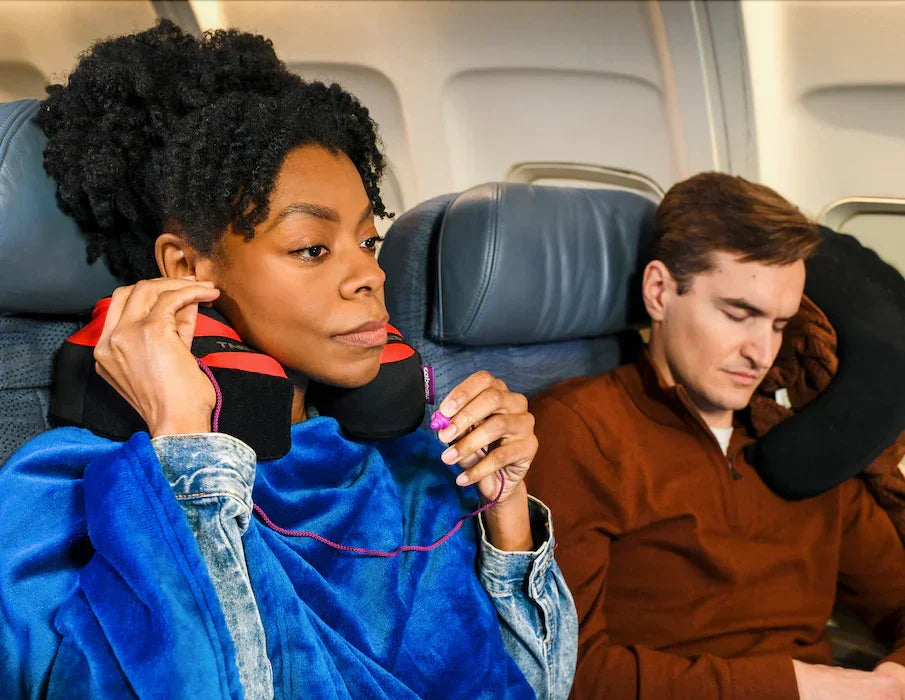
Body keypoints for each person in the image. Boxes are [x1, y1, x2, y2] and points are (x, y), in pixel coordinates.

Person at [0, 21, 576, 699]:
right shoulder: (60, 485)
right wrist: (185, 445)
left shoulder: (417, 459)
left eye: (368, 238)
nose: (370, 274)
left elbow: (536, 687)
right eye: (311, 247)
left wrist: (506, 515)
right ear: (186, 267)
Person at [527, 172, 905, 699]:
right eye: (739, 314)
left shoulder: (800, 443)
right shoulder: (579, 431)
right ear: (660, 292)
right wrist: (802, 686)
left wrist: (892, 679)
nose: (761, 352)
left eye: (778, 325)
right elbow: (572, 673)